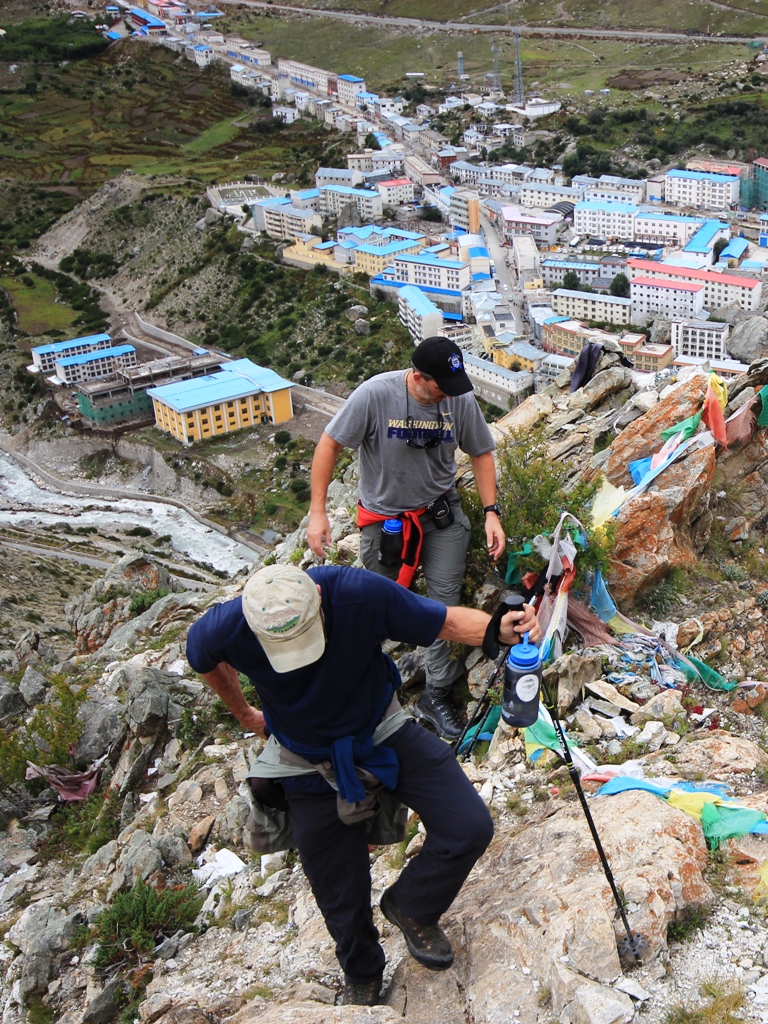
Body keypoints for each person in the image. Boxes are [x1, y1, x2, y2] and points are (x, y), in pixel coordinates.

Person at [185, 563, 540, 1007]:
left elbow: (443, 621)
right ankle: (362, 971)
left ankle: (412, 905)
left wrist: (499, 630)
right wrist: (244, 715)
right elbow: (202, 659)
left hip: (378, 727)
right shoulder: (226, 626)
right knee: (338, 888)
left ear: (317, 596)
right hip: (303, 757)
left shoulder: (355, 592)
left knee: (468, 825)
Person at [307, 336, 505, 741]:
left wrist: (491, 513)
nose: (446, 397)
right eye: (439, 389)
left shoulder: (457, 398)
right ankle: (367, 694)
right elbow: (329, 443)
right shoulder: (375, 395)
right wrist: (317, 511)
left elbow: (481, 452)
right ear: (417, 377)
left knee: (442, 603)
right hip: (387, 522)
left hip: (440, 515)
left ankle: (435, 692)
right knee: (374, 606)